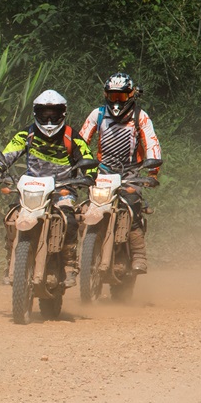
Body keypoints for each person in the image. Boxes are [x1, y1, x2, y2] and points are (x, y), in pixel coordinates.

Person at [0, 89, 94, 288]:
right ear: (36, 113)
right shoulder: (26, 135)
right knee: (11, 218)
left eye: (53, 113)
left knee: (69, 219)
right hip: (31, 191)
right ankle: (11, 260)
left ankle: (70, 265)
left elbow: (88, 158)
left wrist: (88, 176)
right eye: (44, 113)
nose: (49, 118)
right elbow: (8, 153)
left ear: (62, 113)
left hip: (62, 191)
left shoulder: (72, 137)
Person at [79, 73, 161, 273]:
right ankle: (77, 253)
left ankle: (139, 255)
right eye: (113, 96)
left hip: (131, 173)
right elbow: (80, 142)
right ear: (106, 95)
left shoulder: (139, 116)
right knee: (86, 210)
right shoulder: (97, 114)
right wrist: (79, 166)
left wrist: (152, 172)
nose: (116, 101)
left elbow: (151, 142)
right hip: (103, 171)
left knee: (132, 209)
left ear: (131, 95)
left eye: (121, 97)